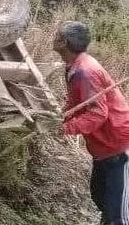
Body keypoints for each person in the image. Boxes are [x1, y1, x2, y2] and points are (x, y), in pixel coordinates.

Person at [53, 21, 129, 225]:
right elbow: (75, 102)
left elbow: (97, 114)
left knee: (118, 214)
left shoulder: (86, 71)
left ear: (64, 42)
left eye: (57, 35)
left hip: (117, 145)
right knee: (99, 196)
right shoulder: (74, 67)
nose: (54, 37)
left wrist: (64, 128)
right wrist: (59, 117)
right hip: (102, 145)